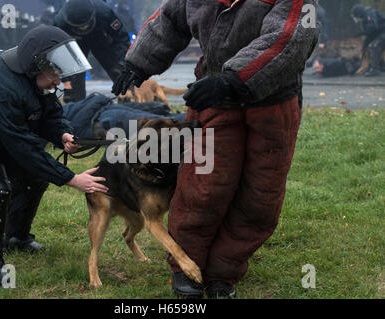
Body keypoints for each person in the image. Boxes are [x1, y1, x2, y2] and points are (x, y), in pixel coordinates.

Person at [113, 0, 319, 298]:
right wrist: (137, 62)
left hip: (273, 102)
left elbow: (291, 36)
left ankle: (223, 271)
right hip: (214, 98)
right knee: (203, 186)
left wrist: (233, 78)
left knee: (260, 195)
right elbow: (170, 20)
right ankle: (187, 265)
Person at [0, 25, 109, 287]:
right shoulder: (4, 82)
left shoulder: (31, 76)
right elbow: (21, 145)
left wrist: (62, 134)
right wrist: (71, 178)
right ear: (36, 65)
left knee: (34, 176)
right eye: (54, 74)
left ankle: (17, 238)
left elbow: (48, 114)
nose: (58, 82)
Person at [54, 0, 131, 102]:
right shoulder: (60, 22)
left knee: (119, 70)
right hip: (75, 44)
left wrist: (123, 61)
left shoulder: (104, 12)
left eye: (84, 25)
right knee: (73, 79)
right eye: (80, 27)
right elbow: (59, 53)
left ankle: (129, 99)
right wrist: (66, 79)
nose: (83, 29)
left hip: (100, 39)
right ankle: (75, 107)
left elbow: (121, 38)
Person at [350, 4, 385, 77]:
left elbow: (373, 28)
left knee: (374, 46)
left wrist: (361, 33)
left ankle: (375, 69)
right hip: (380, 32)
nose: (356, 19)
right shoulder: (364, 19)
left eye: (356, 16)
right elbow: (371, 34)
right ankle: (381, 66)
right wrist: (364, 44)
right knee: (372, 45)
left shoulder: (370, 14)